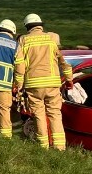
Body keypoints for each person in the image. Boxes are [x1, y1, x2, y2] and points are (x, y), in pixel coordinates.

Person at [13, 13, 73, 151]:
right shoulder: (51, 39)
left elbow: (20, 65)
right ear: (40, 26)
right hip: (52, 84)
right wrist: (69, 79)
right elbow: (63, 62)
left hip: (33, 85)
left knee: (39, 114)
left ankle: (43, 146)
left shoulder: (23, 40)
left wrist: (18, 85)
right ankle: (59, 147)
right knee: (55, 114)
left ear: (27, 27)